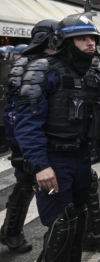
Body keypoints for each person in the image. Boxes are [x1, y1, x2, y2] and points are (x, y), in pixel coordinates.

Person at [13, 13, 100, 261]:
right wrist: (41, 165)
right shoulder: (43, 71)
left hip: (82, 158)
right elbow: (26, 124)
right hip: (54, 160)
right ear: (66, 42)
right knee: (61, 226)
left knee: (77, 224)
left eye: (93, 39)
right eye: (83, 39)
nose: (91, 44)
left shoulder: (93, 76)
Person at [0, 19, 58, 253]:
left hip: (53, 135)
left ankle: (89, 233)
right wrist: (19, 148)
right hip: (31, 138)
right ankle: (11, 231)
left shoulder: (49, 62)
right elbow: (14, 112)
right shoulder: (25, 66)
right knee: (26, 184)